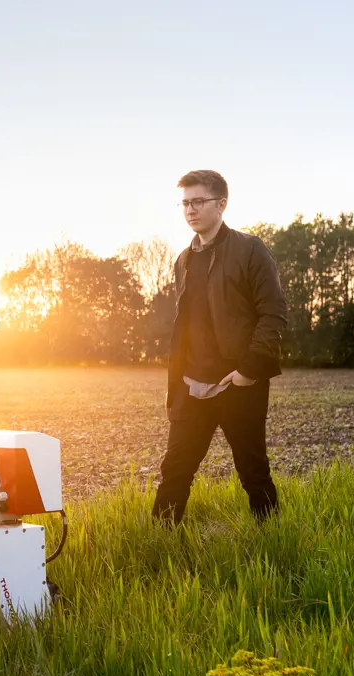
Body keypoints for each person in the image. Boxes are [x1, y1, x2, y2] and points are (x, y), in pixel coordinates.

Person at [152, 170, 287, 526]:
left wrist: (247, 371)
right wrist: (178, 381)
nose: (190, 210)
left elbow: (273, 313)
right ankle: (157, 544)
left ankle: (274, 540)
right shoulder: (183, 260)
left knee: (253, 472)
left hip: (237, 384)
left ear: (221, 204)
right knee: (175, 471)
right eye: (185, 203)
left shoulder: (249, 249)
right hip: (192, 386)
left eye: (198, 201)